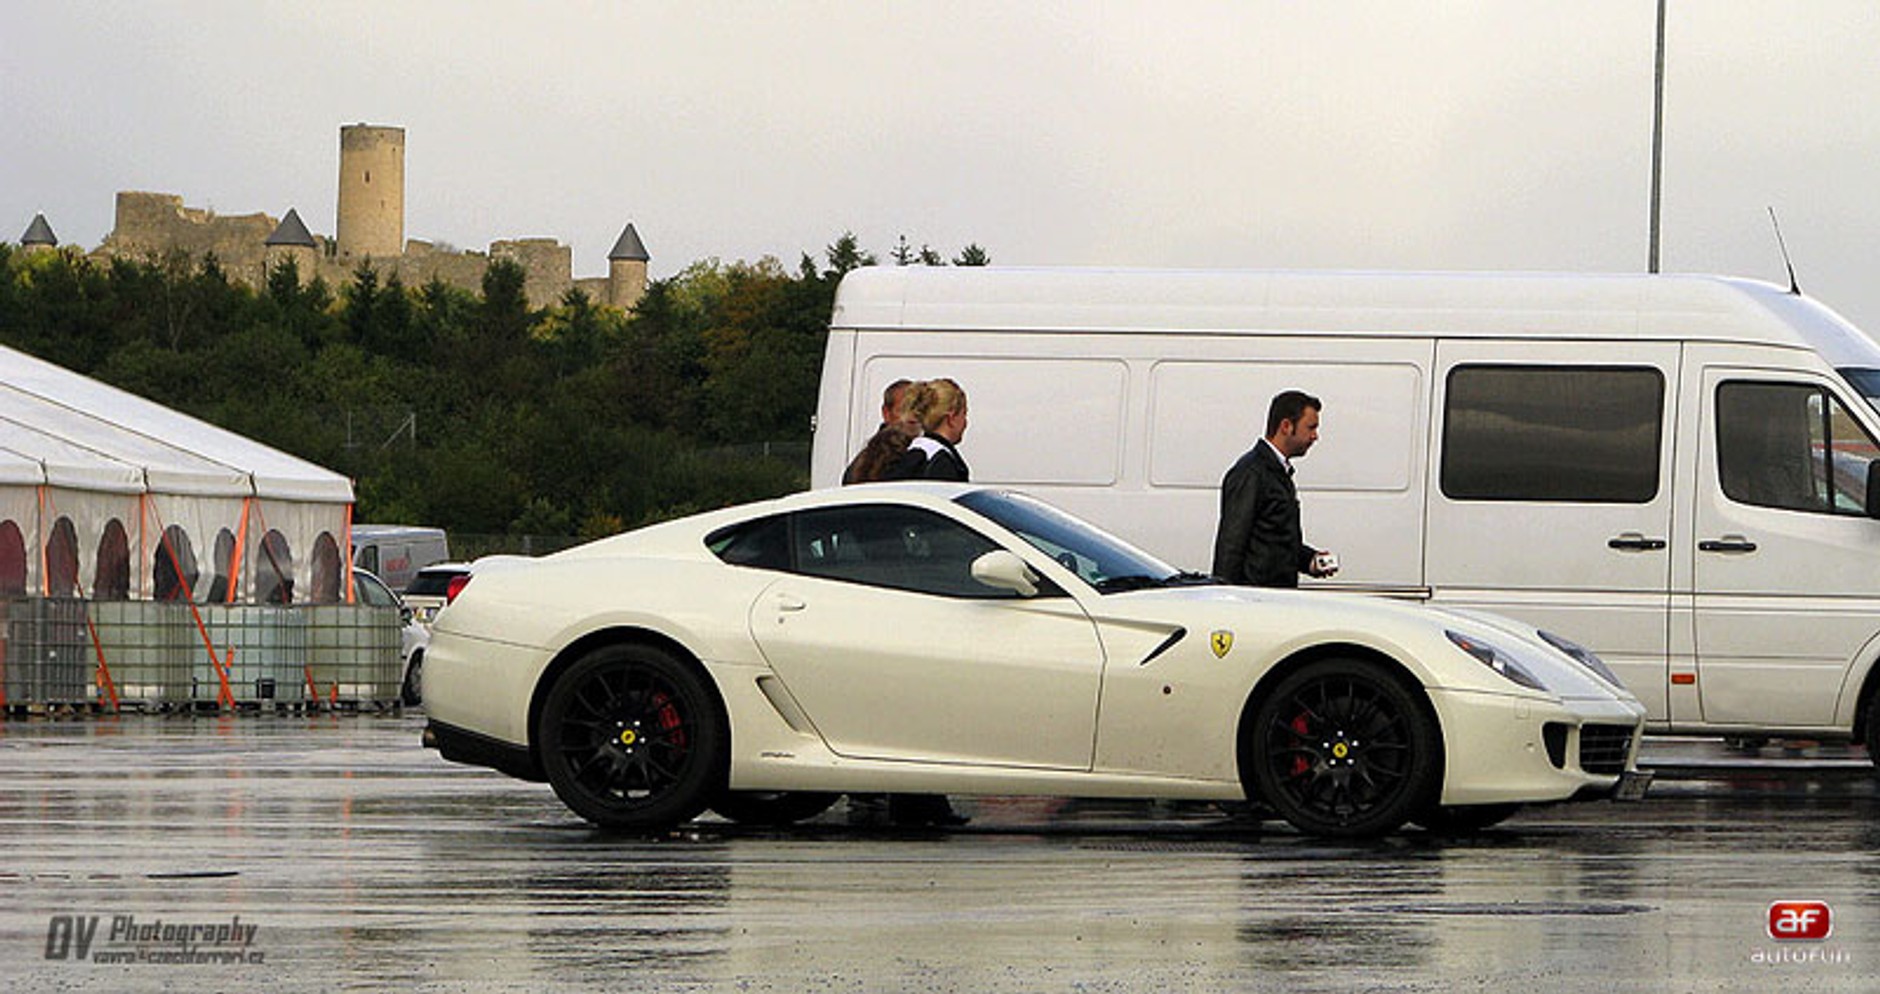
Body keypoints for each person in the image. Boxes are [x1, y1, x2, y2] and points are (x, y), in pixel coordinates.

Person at [838, 377, 968, 828]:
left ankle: (917, 799)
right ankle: (919, 801)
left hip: (889, 582)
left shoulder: (900, 454)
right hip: (918, 588)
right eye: (965, 414)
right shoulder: (936, 459)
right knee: (928, 695)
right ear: (952, 416)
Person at [1211, 390, 1337, 588]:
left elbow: (1276, 541)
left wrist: (1309, 561)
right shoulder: (1252, 473)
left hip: (1273, 600)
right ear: (1286, 426)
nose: (1315, 436)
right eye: (1310, 428)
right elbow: (1231, 546)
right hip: (1257, 602)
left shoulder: (1276, 472)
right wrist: (1227, 600)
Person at [886, 378, 969, 481]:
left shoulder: (910, 453)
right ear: (951, 418)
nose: (965, 423)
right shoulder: (940, 461)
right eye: (963, 414)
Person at [843, 379, 922, 485]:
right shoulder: (868, 462)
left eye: (918, 410)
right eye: (903, 409)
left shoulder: (924, 454)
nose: (912, 417)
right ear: (886, 413)